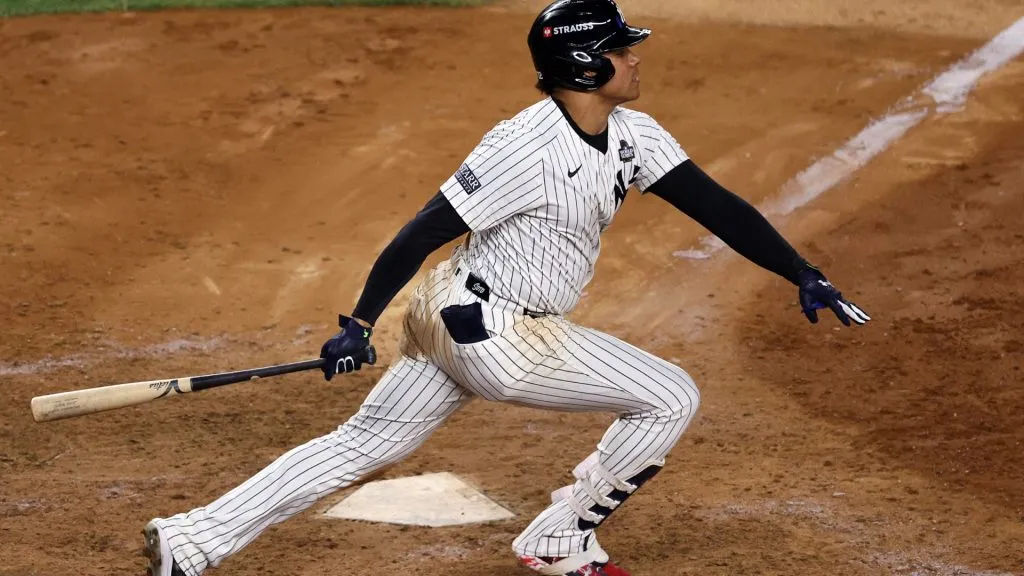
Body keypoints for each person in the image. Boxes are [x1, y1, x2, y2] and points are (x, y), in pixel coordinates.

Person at [142, 1, 870, 575]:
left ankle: (192, 540)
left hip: (451, 314)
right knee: (671, 394)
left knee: (358, 445)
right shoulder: (525, 145)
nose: (634, 55)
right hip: (497, 337)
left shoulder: (632, 134)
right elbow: (419, 231)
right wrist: (359, 323)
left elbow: (716, 206)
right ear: (586, 65)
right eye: (620, 48)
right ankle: (559, 539)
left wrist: (800, 272)